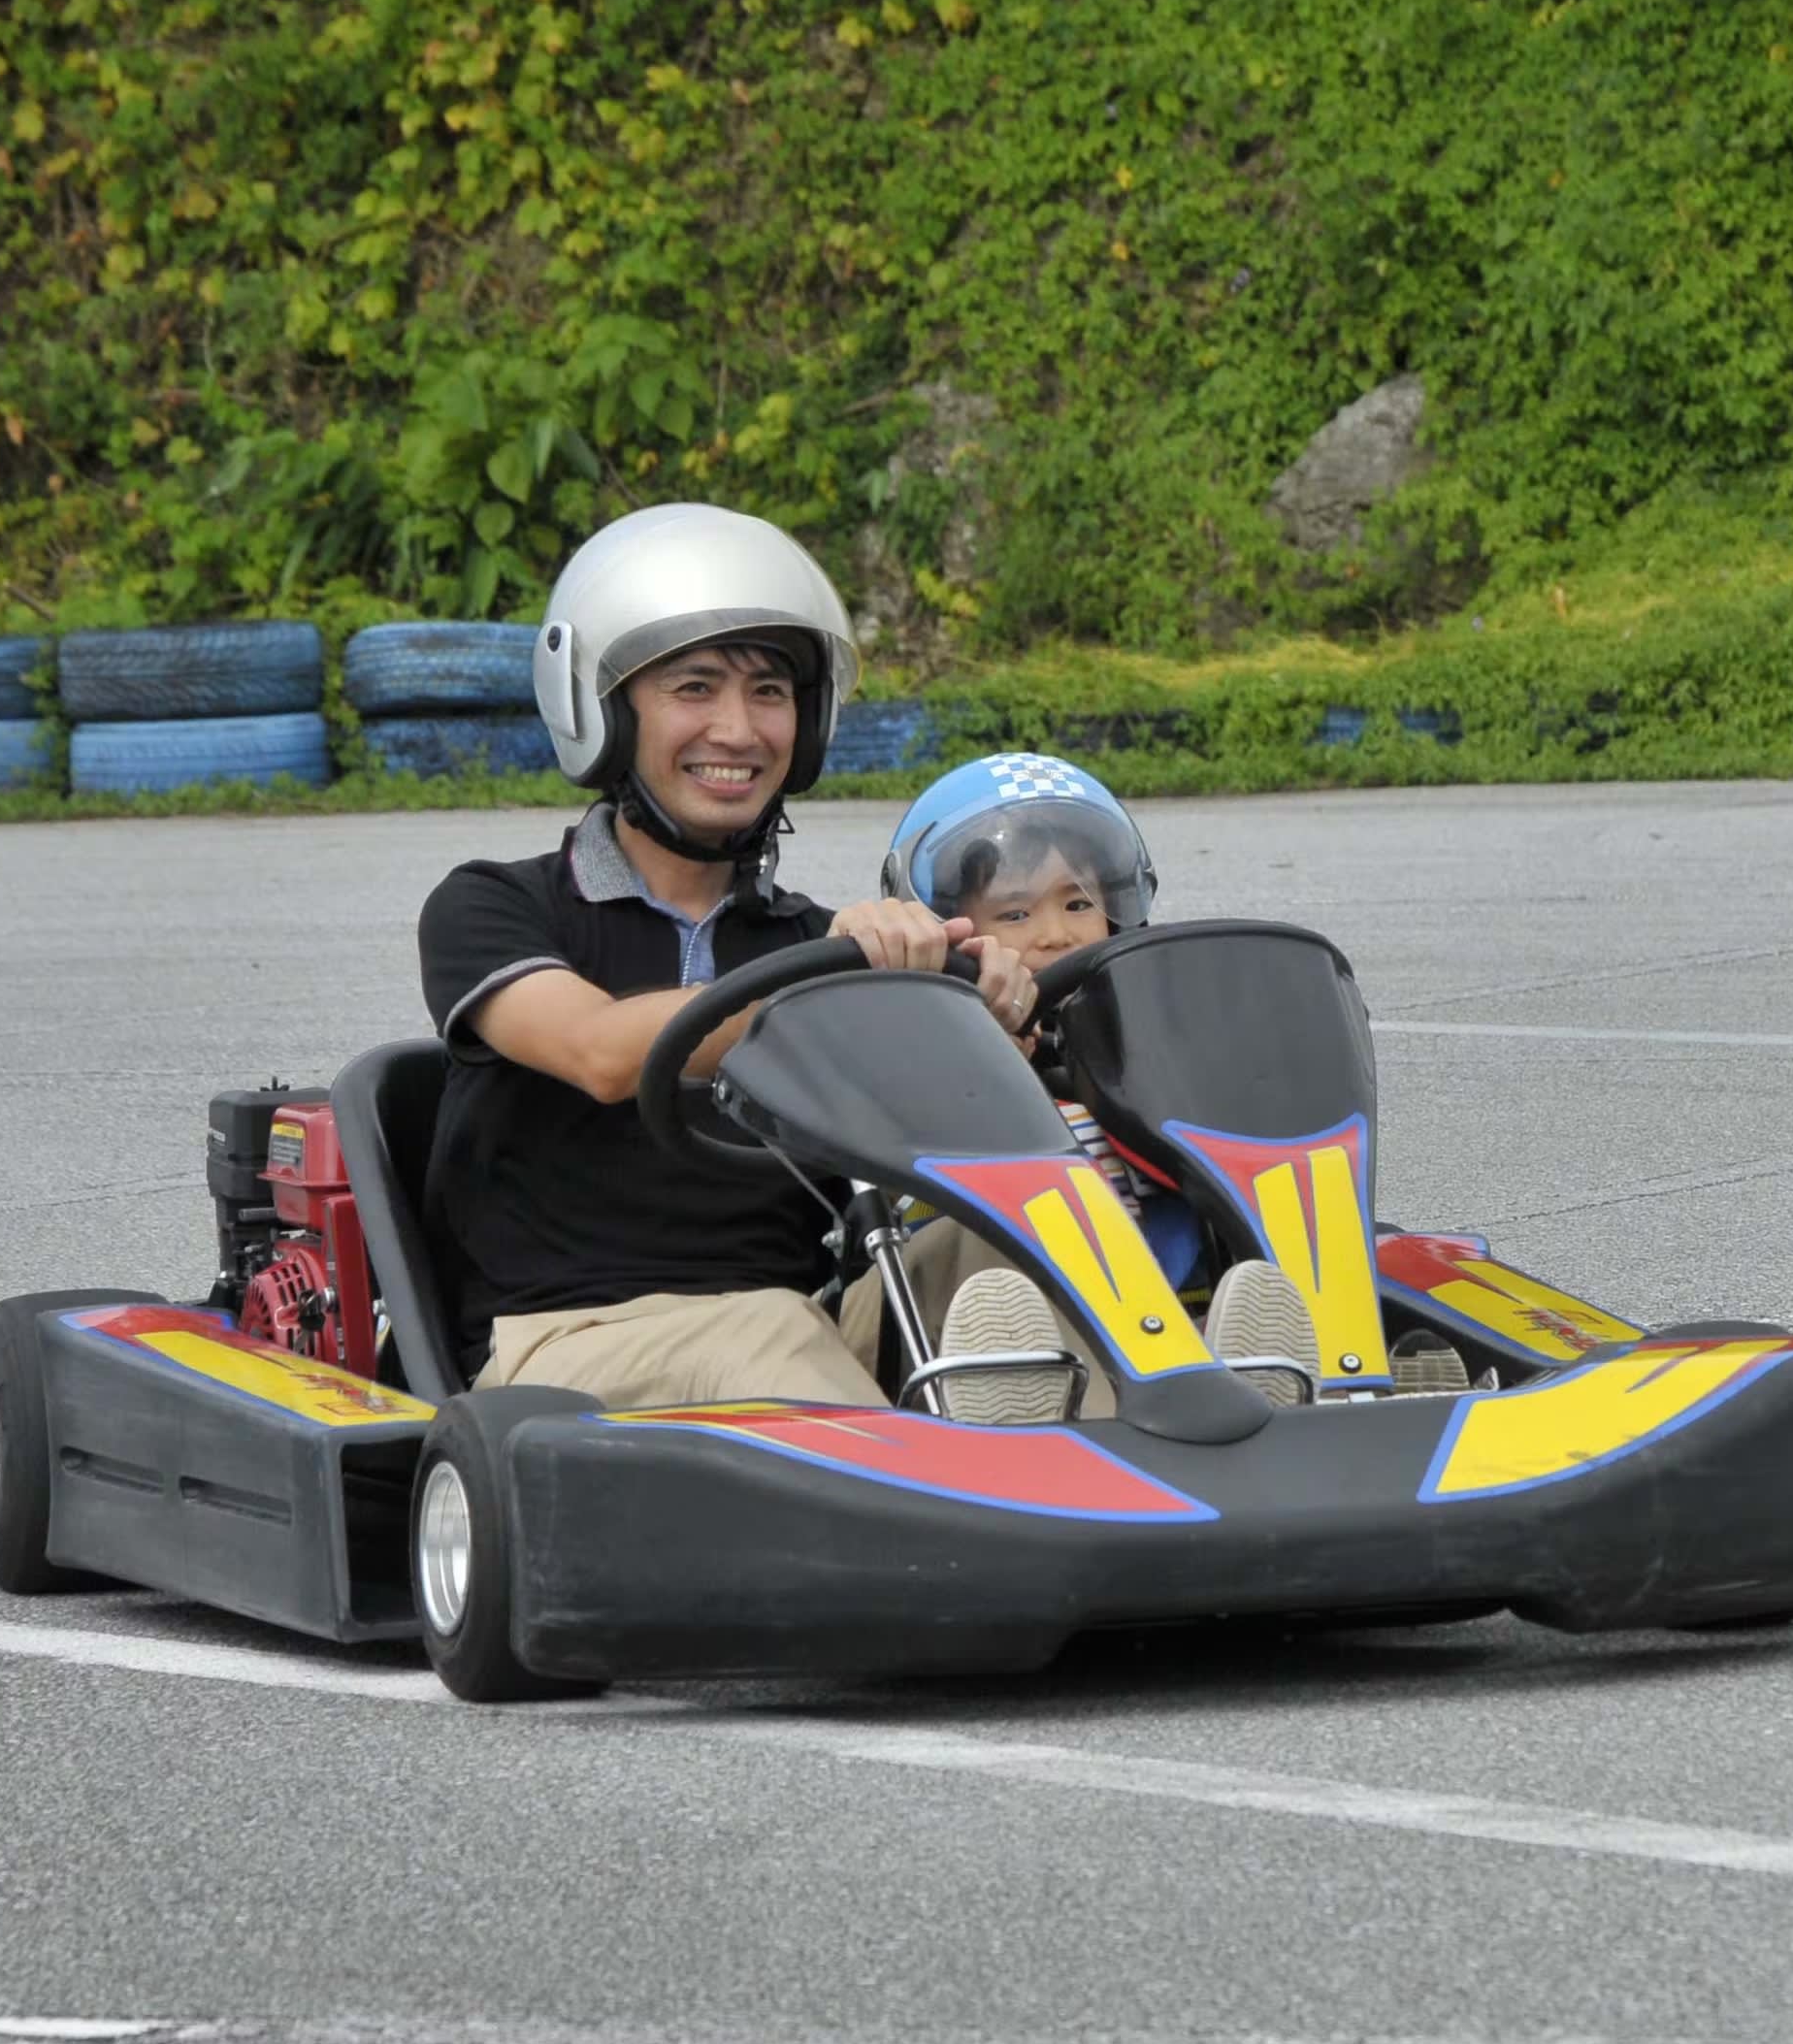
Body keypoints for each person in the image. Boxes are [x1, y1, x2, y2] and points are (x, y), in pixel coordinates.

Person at [413, 504, 1041, 1411]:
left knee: (1011, 1238)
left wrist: (992, 1019)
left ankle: (1186, 1448)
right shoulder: (494, 905)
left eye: (770, 692)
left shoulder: (813, 940)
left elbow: (938, 1131)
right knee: (768, 1329)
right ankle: (949, 1488)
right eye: (696, 687)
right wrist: (845, 985)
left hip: (806, 1330)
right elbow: (600, 1052)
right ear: (603, 711)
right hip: (564, 1348)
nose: (740, 731)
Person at [829, 755, 1272, 1412]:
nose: (1056, 933)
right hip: (939, 1313)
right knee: (1015, 1218)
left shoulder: (1144, 1062)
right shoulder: (917, 1048)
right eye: (1015, 914)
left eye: (1077, 902)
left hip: (1151, 1313)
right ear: (945, 929)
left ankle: (1276, 1369)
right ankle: (1033, 1388)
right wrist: (980, 1060)